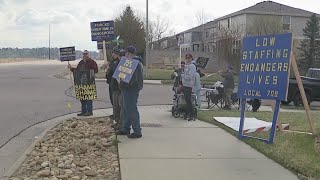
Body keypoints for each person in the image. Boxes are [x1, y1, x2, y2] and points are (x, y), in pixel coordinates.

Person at [116, 46, 144, 138]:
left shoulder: (135, 63)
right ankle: (125, 128)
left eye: (126, 53)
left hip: (131, 89)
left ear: (129, 53)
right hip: (126, 89)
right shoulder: (128, 63)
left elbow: (133, 80)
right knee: (125, 109)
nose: (125, 55)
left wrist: (124, 83)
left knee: (131, 109)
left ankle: (137, 130)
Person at [68, 50, 98, 116]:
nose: (85, 55)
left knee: (89, 98)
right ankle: (83, 111)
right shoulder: (81, 62)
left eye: (86, 54)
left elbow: (96, 70)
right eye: (84, 54)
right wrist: (71, 68)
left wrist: (89, 71)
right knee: (82, 98)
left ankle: (89, 111)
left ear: (88, 55)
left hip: (89, 84)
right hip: (81, 84)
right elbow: (77, 70)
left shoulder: (92, 62)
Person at [109, 46, 123, 130]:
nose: (112, 54)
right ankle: (117, 121)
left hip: (119, 88)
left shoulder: (120, 62)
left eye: (113, 52)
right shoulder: (112, 62)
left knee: (119, 105)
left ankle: (121, 123)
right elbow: (110, 74)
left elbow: (117, 72)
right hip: (113, 86)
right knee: (115, 105)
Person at [181, 53, 197, 121]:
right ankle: (187, 113)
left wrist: (183, 76)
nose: (187, 59)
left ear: (191, 58)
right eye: (186, 58)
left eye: (189, 58)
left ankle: (192, 114)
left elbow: (190, 76)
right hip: (185, 85)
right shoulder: (187, 66)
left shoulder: (192, 66)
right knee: (187, 101)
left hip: (189, 85)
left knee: (189, 101)